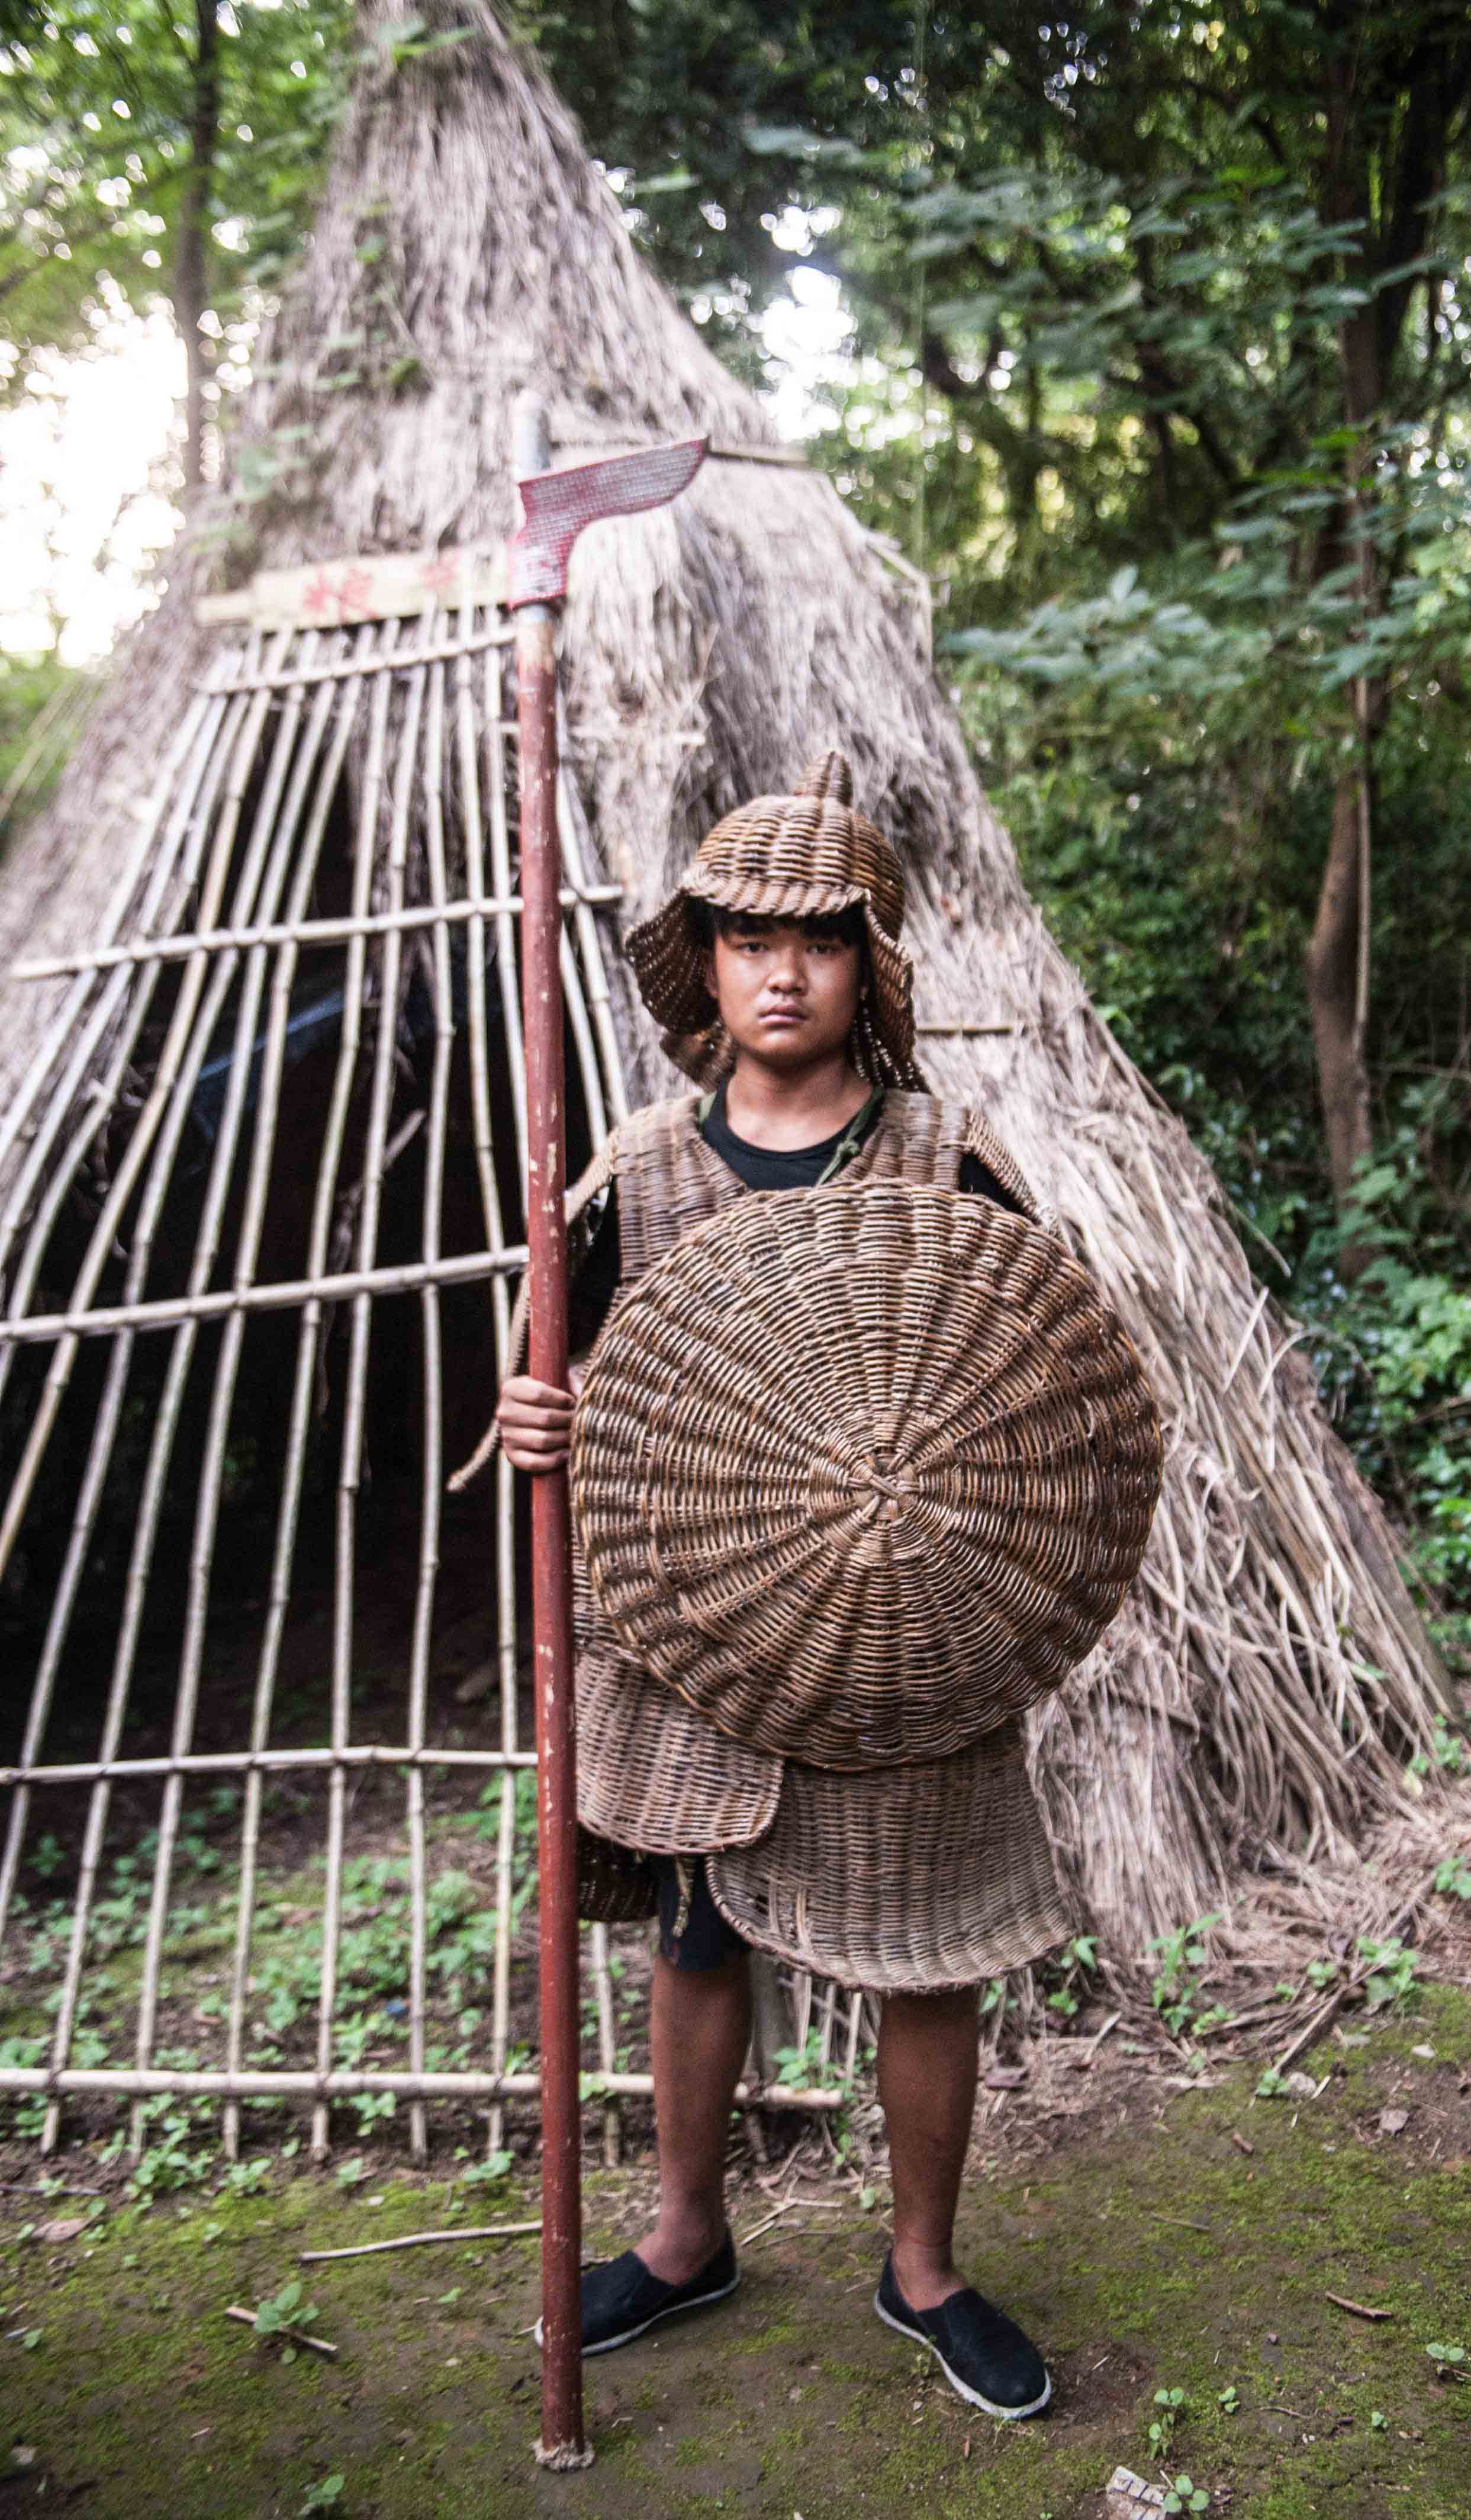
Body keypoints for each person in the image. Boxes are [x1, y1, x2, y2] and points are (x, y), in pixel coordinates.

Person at [496, 751, 1071, 2421]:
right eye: (748, 937)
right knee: (692, 1932)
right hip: (697, 1648)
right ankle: (686, 2238)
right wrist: (535, 1411)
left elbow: (1040, 1376)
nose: (781, 968)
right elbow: (559, 1385)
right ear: (711, 962)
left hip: (908, 1639)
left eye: (817, 938)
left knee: (928, 1952)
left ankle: (926, 2266)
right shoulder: (637, 1173)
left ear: (863, 966)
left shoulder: (943, 1158)